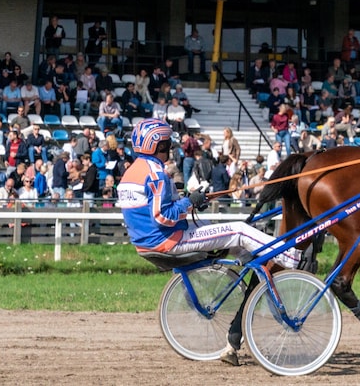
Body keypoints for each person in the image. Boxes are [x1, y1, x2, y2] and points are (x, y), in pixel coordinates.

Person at [117, 119, 299, 364]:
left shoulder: (132, 172)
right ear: (158, 145)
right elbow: (163, 216)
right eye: (167, 144)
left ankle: (253, 261)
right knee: (239, 230)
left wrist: (193, 200)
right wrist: (189, 201)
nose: (170, 148)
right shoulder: (155, 173)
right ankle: (290, 257)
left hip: (150, 241)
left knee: (224, 231)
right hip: (168, 240)